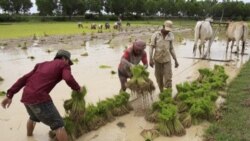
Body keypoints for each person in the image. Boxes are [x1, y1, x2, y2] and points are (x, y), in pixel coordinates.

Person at [1, 49, 81, 141]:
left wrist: (10, 94)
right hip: (39, 98)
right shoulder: (64, 64)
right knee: (59, 124)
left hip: (26, 96)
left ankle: (29, 137)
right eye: (68, 61)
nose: (68, 63)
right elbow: (68, 78)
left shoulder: (41, 65)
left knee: (33, 117)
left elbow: (24, 79)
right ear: (64, 58)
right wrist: (78, 88)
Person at [149, 20, 179, 92]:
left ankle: (168, 93)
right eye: (167, 30)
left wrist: (175, 60)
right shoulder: (156, 35)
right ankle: (162, 91)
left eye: (169, 30)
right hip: (157, 59)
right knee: (159, 78)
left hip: (167, 60)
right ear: (163, 27)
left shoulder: (171, 35)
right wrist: (150, 59)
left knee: (168, 77)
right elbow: (151, 47)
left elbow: (171, 48)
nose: (168, 31)